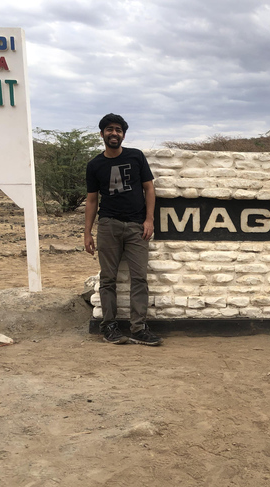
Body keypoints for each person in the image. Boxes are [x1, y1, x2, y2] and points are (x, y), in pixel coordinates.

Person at [84, 113, 162, 346]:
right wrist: (87, 232)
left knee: (139, 278)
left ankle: (138, 328)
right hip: (108, 226)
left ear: (123, 134)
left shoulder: (136, 157)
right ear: (102, 134)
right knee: (108, 279)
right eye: (109, 129)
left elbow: (149, 189)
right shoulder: (95, 165)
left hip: (137, 227)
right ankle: (109, 326)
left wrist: (149, 220)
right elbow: (91, 200)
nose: (114, 133)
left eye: (118, 129)